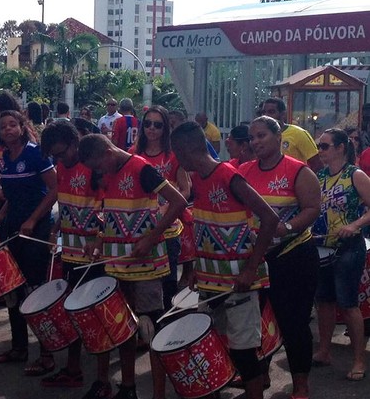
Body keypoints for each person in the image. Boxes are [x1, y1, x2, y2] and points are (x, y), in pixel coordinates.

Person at [170, 121, 280, 399]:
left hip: (240, 282)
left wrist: (250, 269)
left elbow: (270, 218)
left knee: (244, 354)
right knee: (215, 346)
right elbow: (206, 227)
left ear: (184, 151)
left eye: (176, 154)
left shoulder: (228, 175)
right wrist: (196, 267)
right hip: (211, 280)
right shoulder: (197, 178)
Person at [79, 133, 187, 399]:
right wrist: (99, 240)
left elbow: (178, 202)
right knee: (124, 326)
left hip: (147, 266)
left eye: (97, 166)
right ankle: (128, 387)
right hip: (118, 265)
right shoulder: (110, 173)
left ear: (107, 154)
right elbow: (115, 214)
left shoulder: (142, 168)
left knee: (151, 330)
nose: (98, 173)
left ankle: (158, 394)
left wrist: (151, 237)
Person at [238, 116, 321, 399]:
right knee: (254, 322)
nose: (255, 142)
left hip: (294, 256)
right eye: (252, 138)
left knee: (293, 323)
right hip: (256, 259)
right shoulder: (244, 171)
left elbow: (311, 208)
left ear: (278, 137)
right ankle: (258, 376)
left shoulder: (298, 171)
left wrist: (285, 227)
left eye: (261, 136)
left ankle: (300, 384)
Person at [39, 121, 108, 395]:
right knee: (73, 311)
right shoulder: (63, 168)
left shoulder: (94, 167)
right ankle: (73, 368)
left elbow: (108, 204)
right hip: (70, 251)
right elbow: (66, 201)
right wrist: (54, 228)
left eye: (62, 153)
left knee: (96, 315)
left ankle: (102, 380)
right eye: (54, 156)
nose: (59, 159)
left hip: (95, 256)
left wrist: (99, 235)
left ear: (75, 142)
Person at [0, 110, 58, 376]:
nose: (7, 129)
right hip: (13, 228)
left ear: (22, 127)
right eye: (2, 126)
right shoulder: (5, 158)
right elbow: (12, 194)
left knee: (35, 290)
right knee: (13, 289)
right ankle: (18, 347)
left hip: (36, 228)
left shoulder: (35, 153)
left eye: (12, 125)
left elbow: (55, 189)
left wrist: (33, 220)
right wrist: (1, 215)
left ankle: (47, 353)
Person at [311, 128, 370, 381]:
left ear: (340, 148)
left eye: (324, 146)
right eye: (319, 146)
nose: (320, 151)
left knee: (347, 303)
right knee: (323, 301)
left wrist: (354, 225)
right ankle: (324, 350)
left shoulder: (355, 175)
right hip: (322, 246)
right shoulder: (319, 176)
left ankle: (358, 359)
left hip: (348, 247)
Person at [129, 106, 190, 310]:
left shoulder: (173, 156)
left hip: (168, 226)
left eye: (157, 125)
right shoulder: (133, 154)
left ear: (165, 128)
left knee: (168, 276)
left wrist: (167, 208)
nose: (151, 129)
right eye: (147, 124)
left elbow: (185, 189)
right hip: (139, 226)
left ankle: (168, 318)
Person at [259, 97, 322, 172]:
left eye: (271, 112)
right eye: (263, 112)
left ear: (283, 114)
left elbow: (317, 164)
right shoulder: (259, 137)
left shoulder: (298, 134)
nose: (266, 116)